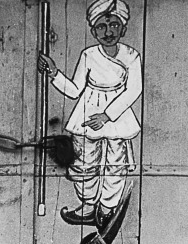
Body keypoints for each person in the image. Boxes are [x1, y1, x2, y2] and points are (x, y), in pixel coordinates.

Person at [38, 0, 141, 229]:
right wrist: (54, 73)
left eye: (114, 25)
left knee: (115, 163)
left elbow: (134, 90)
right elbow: (75, 90)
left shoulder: (131, 56)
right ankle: (87, 206)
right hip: (87, 112)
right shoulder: (88, 55)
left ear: (123, 28)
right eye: (102, 27)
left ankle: (107, 209)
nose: (108, 32)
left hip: (117, 114)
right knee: (85, 161)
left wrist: (106, 116)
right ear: (93, 30)